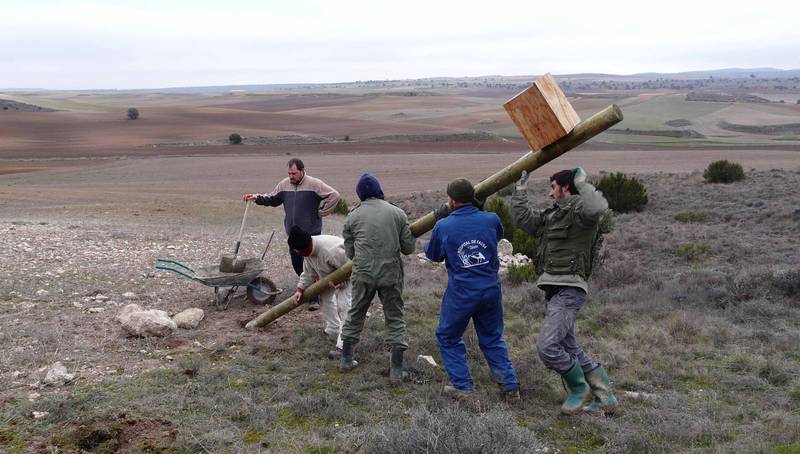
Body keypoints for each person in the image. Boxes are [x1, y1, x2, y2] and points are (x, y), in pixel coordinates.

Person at [511, 167, 619, 416]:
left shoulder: (581, 211)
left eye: (553, 188)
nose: (550, 194)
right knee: (569, 348)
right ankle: (606, 398)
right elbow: (523, 219)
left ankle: (578, 389)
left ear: (565, 188)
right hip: (555, 290)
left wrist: (582, 183)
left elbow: (597, 207)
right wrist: (520, 190)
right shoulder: (553, 214)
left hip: (570, 289)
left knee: (547, 346)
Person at [425, 178, 520, 402]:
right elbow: (494, 237)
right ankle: (510, 387)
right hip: (490, 289)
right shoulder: (491, 219)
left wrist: (440, 222)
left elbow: (433, 255)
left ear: (451, 200)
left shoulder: (444, 225)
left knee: (447, 336)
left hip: (462, 292)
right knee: (492, 337)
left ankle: (463, 387)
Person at [339, 173, 416, 382]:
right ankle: (396, 371)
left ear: (360, 193)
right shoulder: (397, 213)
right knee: (394, 316)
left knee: (355, 311)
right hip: (390, 273)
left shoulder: (352, 217)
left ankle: (346, 359)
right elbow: (409, 248)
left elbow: (351, 253)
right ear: (379, 190)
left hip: (363, 273)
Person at [243, 158, 340, 311]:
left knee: (312, 267)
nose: (291, 176)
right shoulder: (284, 184)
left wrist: (322, 212)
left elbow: (334, 195)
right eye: (289, 173)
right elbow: (273, 199)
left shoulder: (314, 184)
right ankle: (310, 292)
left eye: (294, 173)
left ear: (302, 171)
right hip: (293, 236)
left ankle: (315, 297)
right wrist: (256, 197)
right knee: (297, 265)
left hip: (311, 235)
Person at [287, 226, 352, 358]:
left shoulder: (332, 251)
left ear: (303, 248)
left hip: (350, 277)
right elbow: (308, 273)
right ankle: (333, 329)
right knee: (325, 298)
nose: (297, 253)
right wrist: (300, 289)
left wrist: (341, 283)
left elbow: (353, 268)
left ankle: (343, 346)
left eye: (297, 251)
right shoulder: (307, 250)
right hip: (330, 277)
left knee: (345, 305)